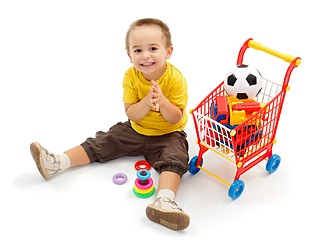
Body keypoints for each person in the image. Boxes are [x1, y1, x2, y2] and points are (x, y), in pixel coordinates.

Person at [30, 18, 190, 231]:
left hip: (168, 134)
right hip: (136, 129)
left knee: (175, 158)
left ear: (168, 52)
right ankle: (58, 162)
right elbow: (132, 113)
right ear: (129, 55)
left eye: (153, 48)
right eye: (138, 50)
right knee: (104, 140)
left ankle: (164, 201)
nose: (145, 55)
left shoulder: (175, 79)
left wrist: (163, 103)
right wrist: (145, 103)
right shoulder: (130, 76)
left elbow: (175, 118)